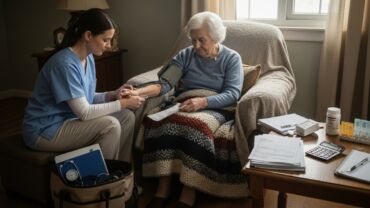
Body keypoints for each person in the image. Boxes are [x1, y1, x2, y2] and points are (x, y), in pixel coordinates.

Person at [122, 11, 247, 208]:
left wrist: (202, 103)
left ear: (215, 37)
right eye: (193, 39)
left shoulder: (232, 58)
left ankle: (189, 192)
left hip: (216, 106)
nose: (196, 46)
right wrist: (139, 91)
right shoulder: (185, 54)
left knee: (195, 127)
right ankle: (163, 188)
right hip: (183, 101)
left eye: (201, 40)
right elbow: (165, 83)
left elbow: (232, 94)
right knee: (161, 122)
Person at [22, 8, 145, 163]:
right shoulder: (64, 64)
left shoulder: (88, 58)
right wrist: (122, 103)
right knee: (111, 125)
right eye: (105, 40)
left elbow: (87, 97)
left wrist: (113, 94)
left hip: (68, 120)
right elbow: (84, 112)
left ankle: (120, 172)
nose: (108, 45)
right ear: (88, 35)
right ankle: (102, 181)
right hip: (45, 130)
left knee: (127, 117)